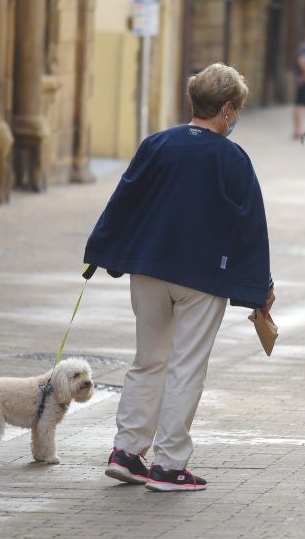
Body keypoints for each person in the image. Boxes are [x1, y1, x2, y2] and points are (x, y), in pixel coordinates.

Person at [84, 63, 275, 492]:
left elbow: (124, 199)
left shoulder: (157, 144)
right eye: (237, 110)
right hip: (203, 279)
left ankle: (127, 453)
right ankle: (169, 466)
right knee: (186, 366)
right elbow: (250, 226)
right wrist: (260, 286)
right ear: (227, 109)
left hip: (149, 270)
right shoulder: (233, 158)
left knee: (147, 359)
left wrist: (101, 251)